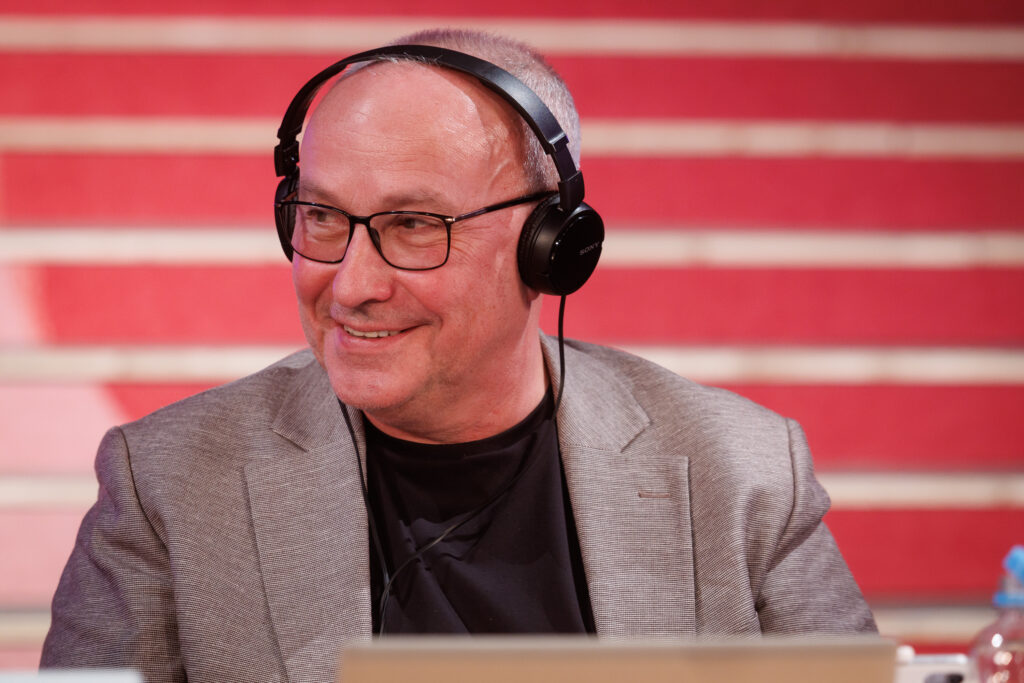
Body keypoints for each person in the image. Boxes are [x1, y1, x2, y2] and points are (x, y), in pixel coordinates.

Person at [41, 28, 876, 683]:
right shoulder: (169, 483)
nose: (350, 284)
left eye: (413, 226)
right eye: (322, 217)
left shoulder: (743, 469)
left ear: (550, 245)